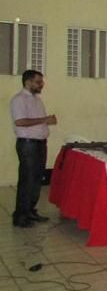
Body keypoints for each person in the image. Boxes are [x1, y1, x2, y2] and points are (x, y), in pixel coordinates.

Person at [10, 70, 56, 228]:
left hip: (40, 144)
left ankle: (30, 211)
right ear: (28, 82)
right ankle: (20, 216)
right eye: (38, 82)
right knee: (27, 180)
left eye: (41, 82)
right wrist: (45, 119)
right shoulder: (19, 100)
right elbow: (20, 122)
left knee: (36, 180)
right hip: (28, 145)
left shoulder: (37, 100)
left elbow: (38, 121)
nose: (41, 84)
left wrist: (47, 121)